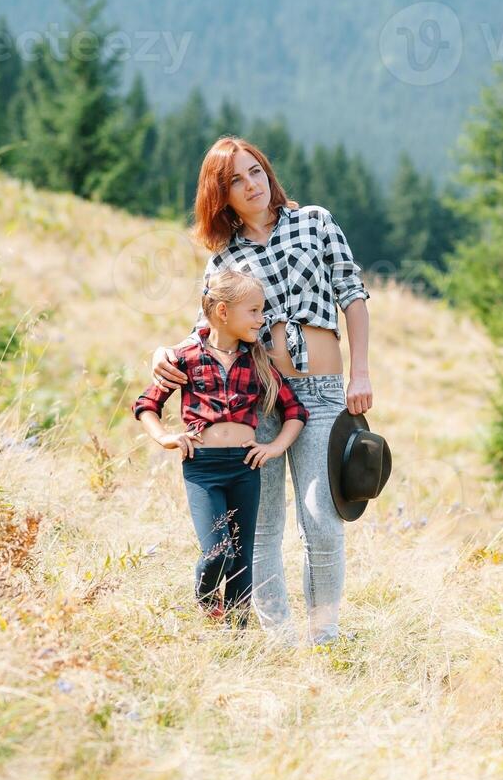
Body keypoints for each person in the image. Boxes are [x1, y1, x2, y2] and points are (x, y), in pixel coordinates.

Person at [150, 136, 373, 646]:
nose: (251, 184)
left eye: (255, 171)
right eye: (235, 180)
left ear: (268, 172)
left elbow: (353, 296)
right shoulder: (224, 260)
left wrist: (360, 373)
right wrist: (160, 354)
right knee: (263, 528)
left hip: (320, 396)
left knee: (321, 521)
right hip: (259, 398)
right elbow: (206, 331)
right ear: (220, 195)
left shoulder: (314, 222)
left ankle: (325, 638)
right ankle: (279, 640)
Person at [134, 268, 307, 625]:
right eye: (254, 311)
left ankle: (237, 638)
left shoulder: (258, 361)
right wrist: (165, 437)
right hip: (202, 468)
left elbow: (295, 411)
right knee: (218, 552)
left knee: (242, 559)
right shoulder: (185, 357)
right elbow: (146, 405)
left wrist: (274, 447)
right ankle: (206, 600)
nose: (262, 319)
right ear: (223, 312)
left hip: (245, 468)